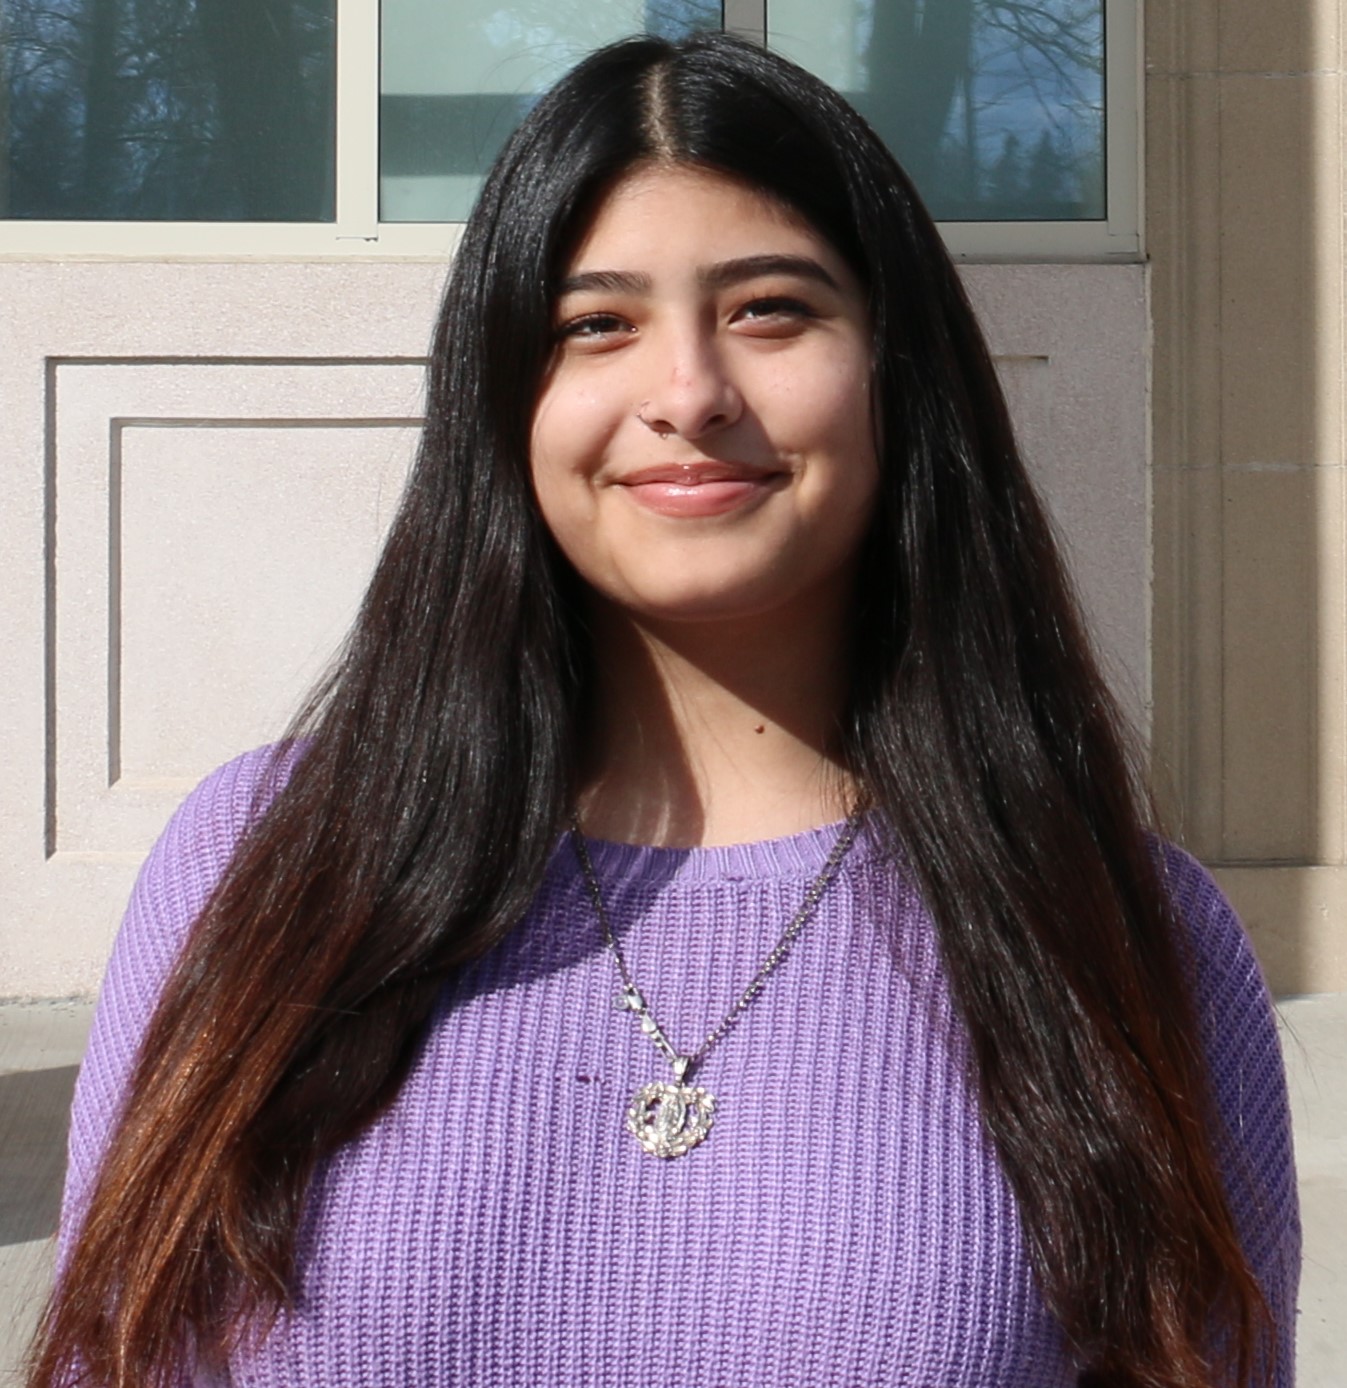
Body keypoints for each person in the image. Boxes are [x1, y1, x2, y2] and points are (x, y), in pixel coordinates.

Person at [29, 31, 1298, 1388]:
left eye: (770, 310)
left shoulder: (1122, 929)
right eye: (597, 325)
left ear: (896, 377)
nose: (688, 394)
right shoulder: (261, 865)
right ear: (505, 400)